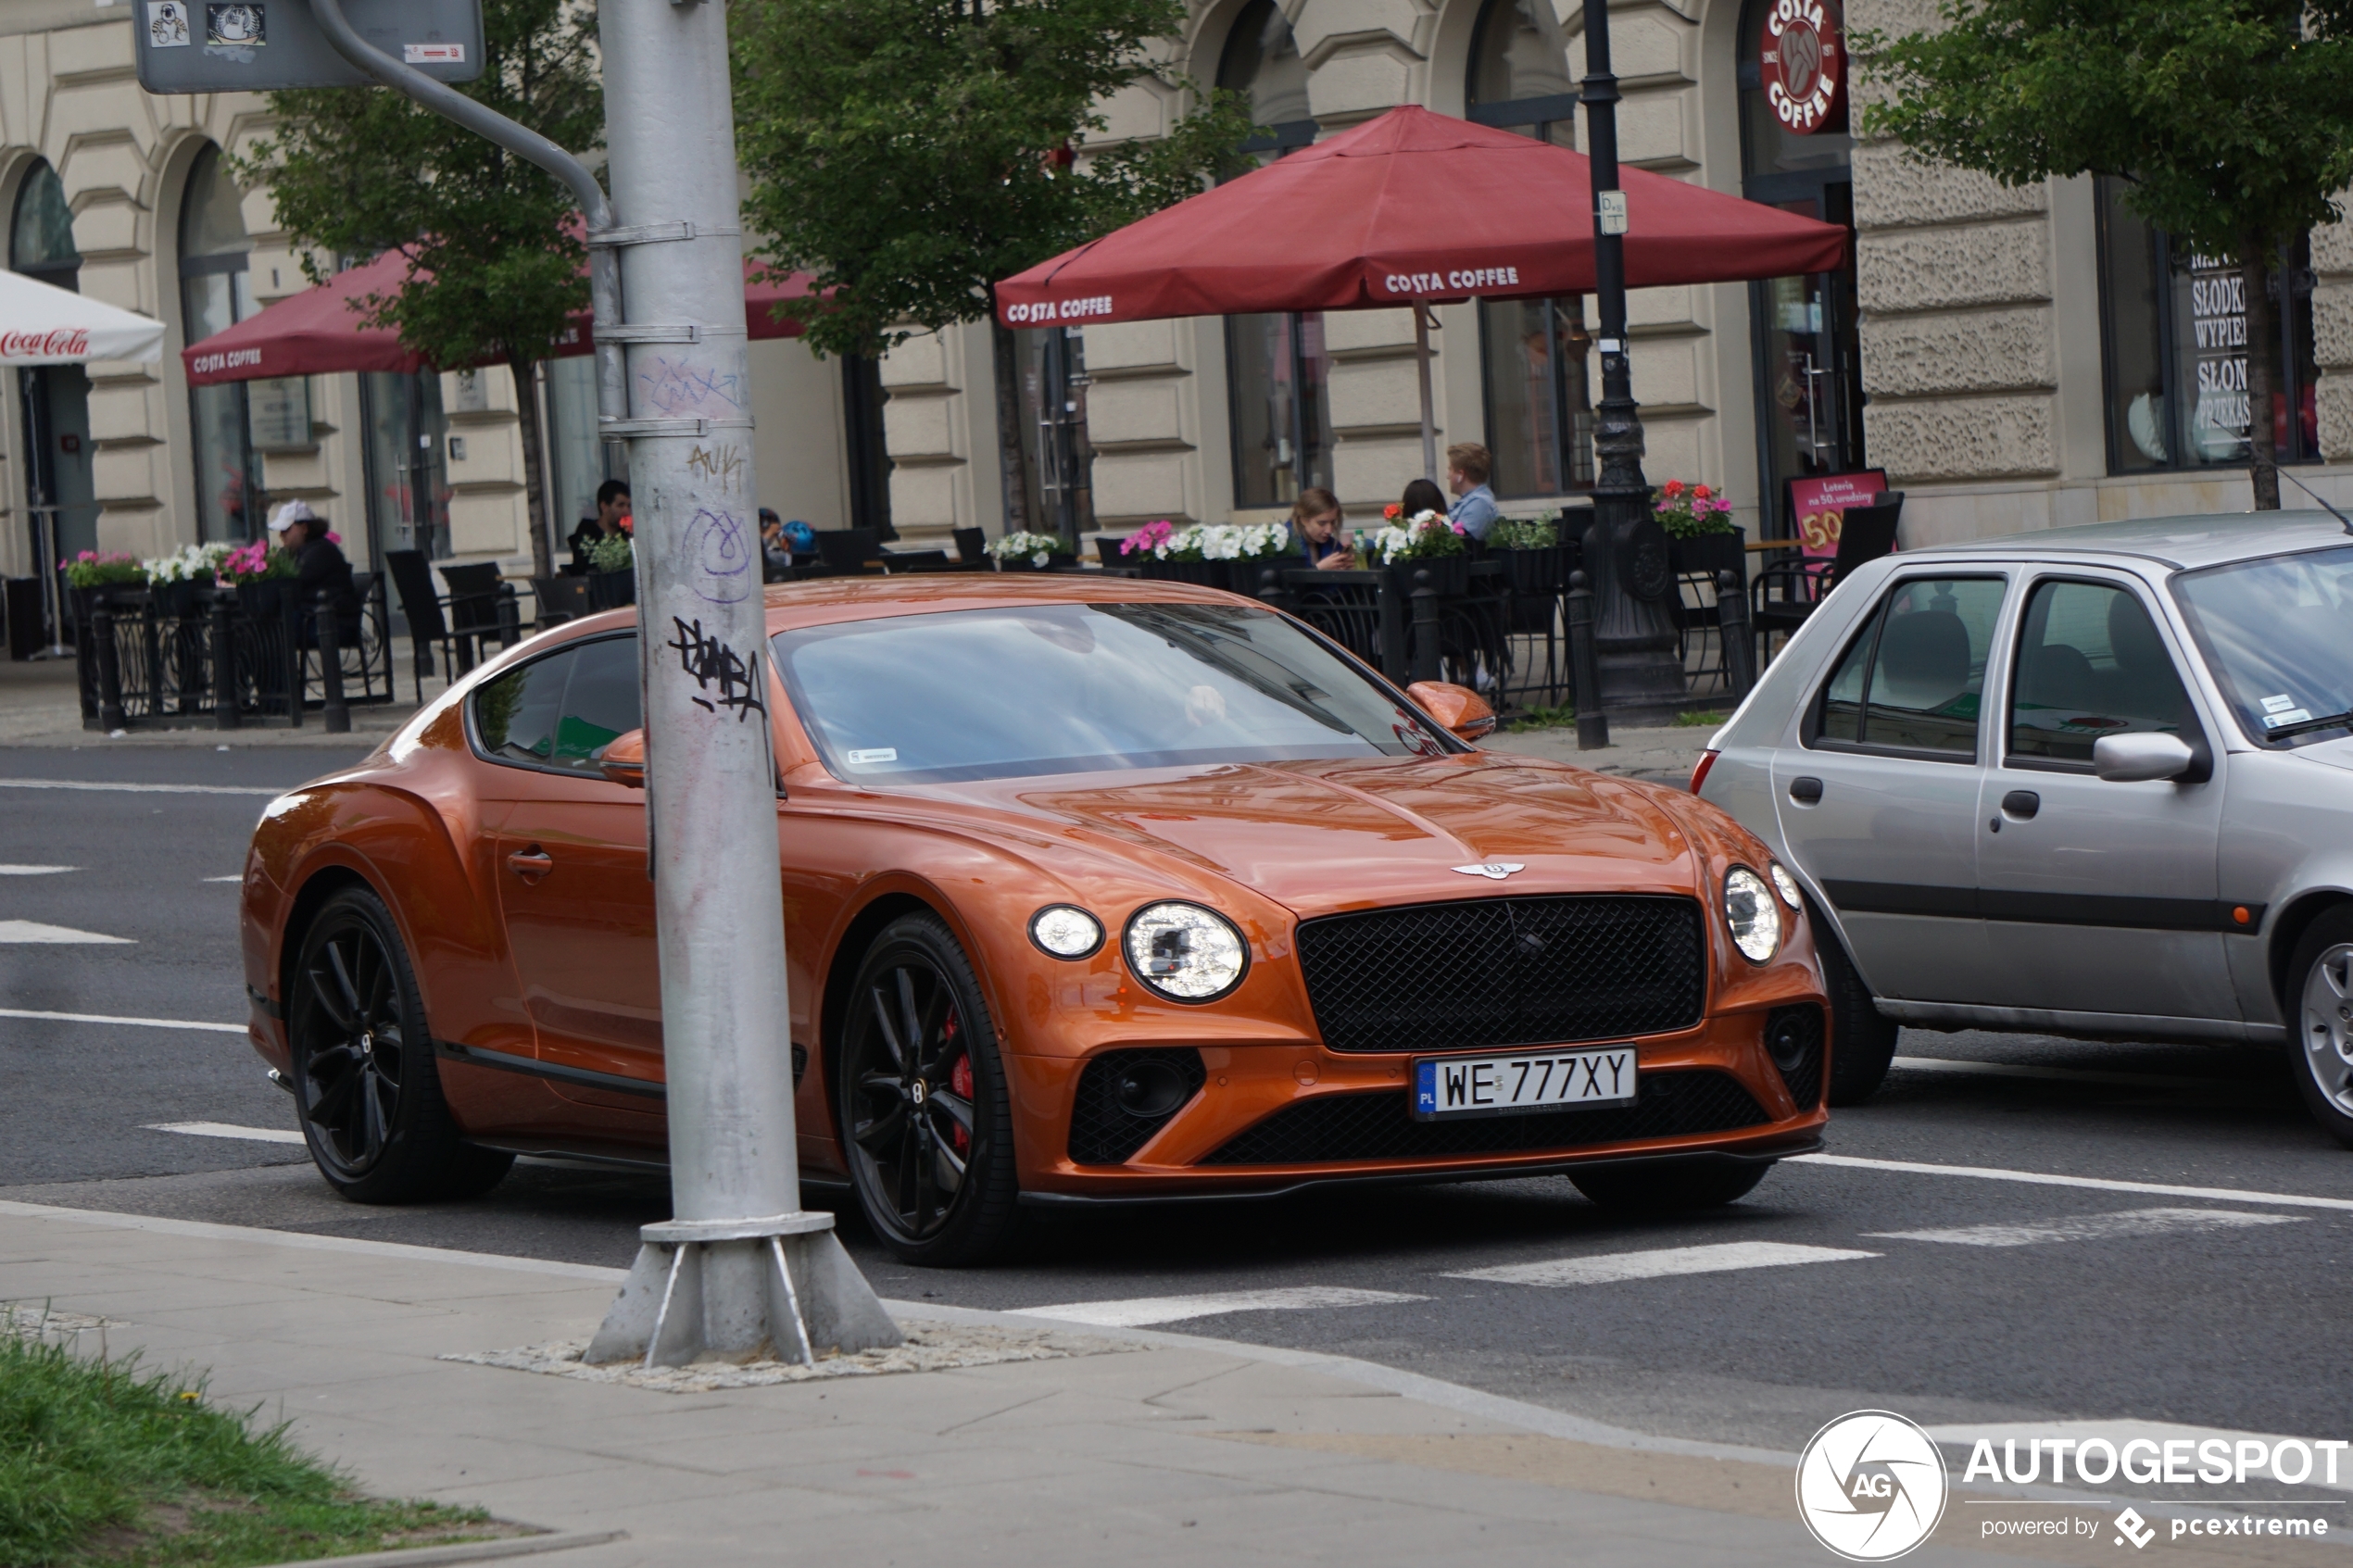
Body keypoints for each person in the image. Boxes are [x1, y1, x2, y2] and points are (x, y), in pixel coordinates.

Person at [267, 498, 358, 639]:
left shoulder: (321, 551)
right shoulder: (294, 551)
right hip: (311, 617)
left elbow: (293, 580)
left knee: (271, 631)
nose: (281, 535)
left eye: (286, 529)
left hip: (330, 622)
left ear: (304, 528)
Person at [568, 479, 632, 571]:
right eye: (620, 505)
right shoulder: (587, 537)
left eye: (629, 506)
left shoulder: (626, 535)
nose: (627, 511)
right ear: (604, 506)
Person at [1445, 443, 1500, 542]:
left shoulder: (1479, 504)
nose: (1448, 476)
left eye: (1450, 470)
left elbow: (1460, 545)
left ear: (1460, 475)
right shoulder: (1472, 502)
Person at [1290, 487, 1355, 570]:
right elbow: (1289, 580)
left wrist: (1350, 569)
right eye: (1322, 523)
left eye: (1332, 522)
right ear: (1304, 520)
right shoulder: (1286, 547)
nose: (1329, 530)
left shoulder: (1333, 545)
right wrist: (1319, 569)